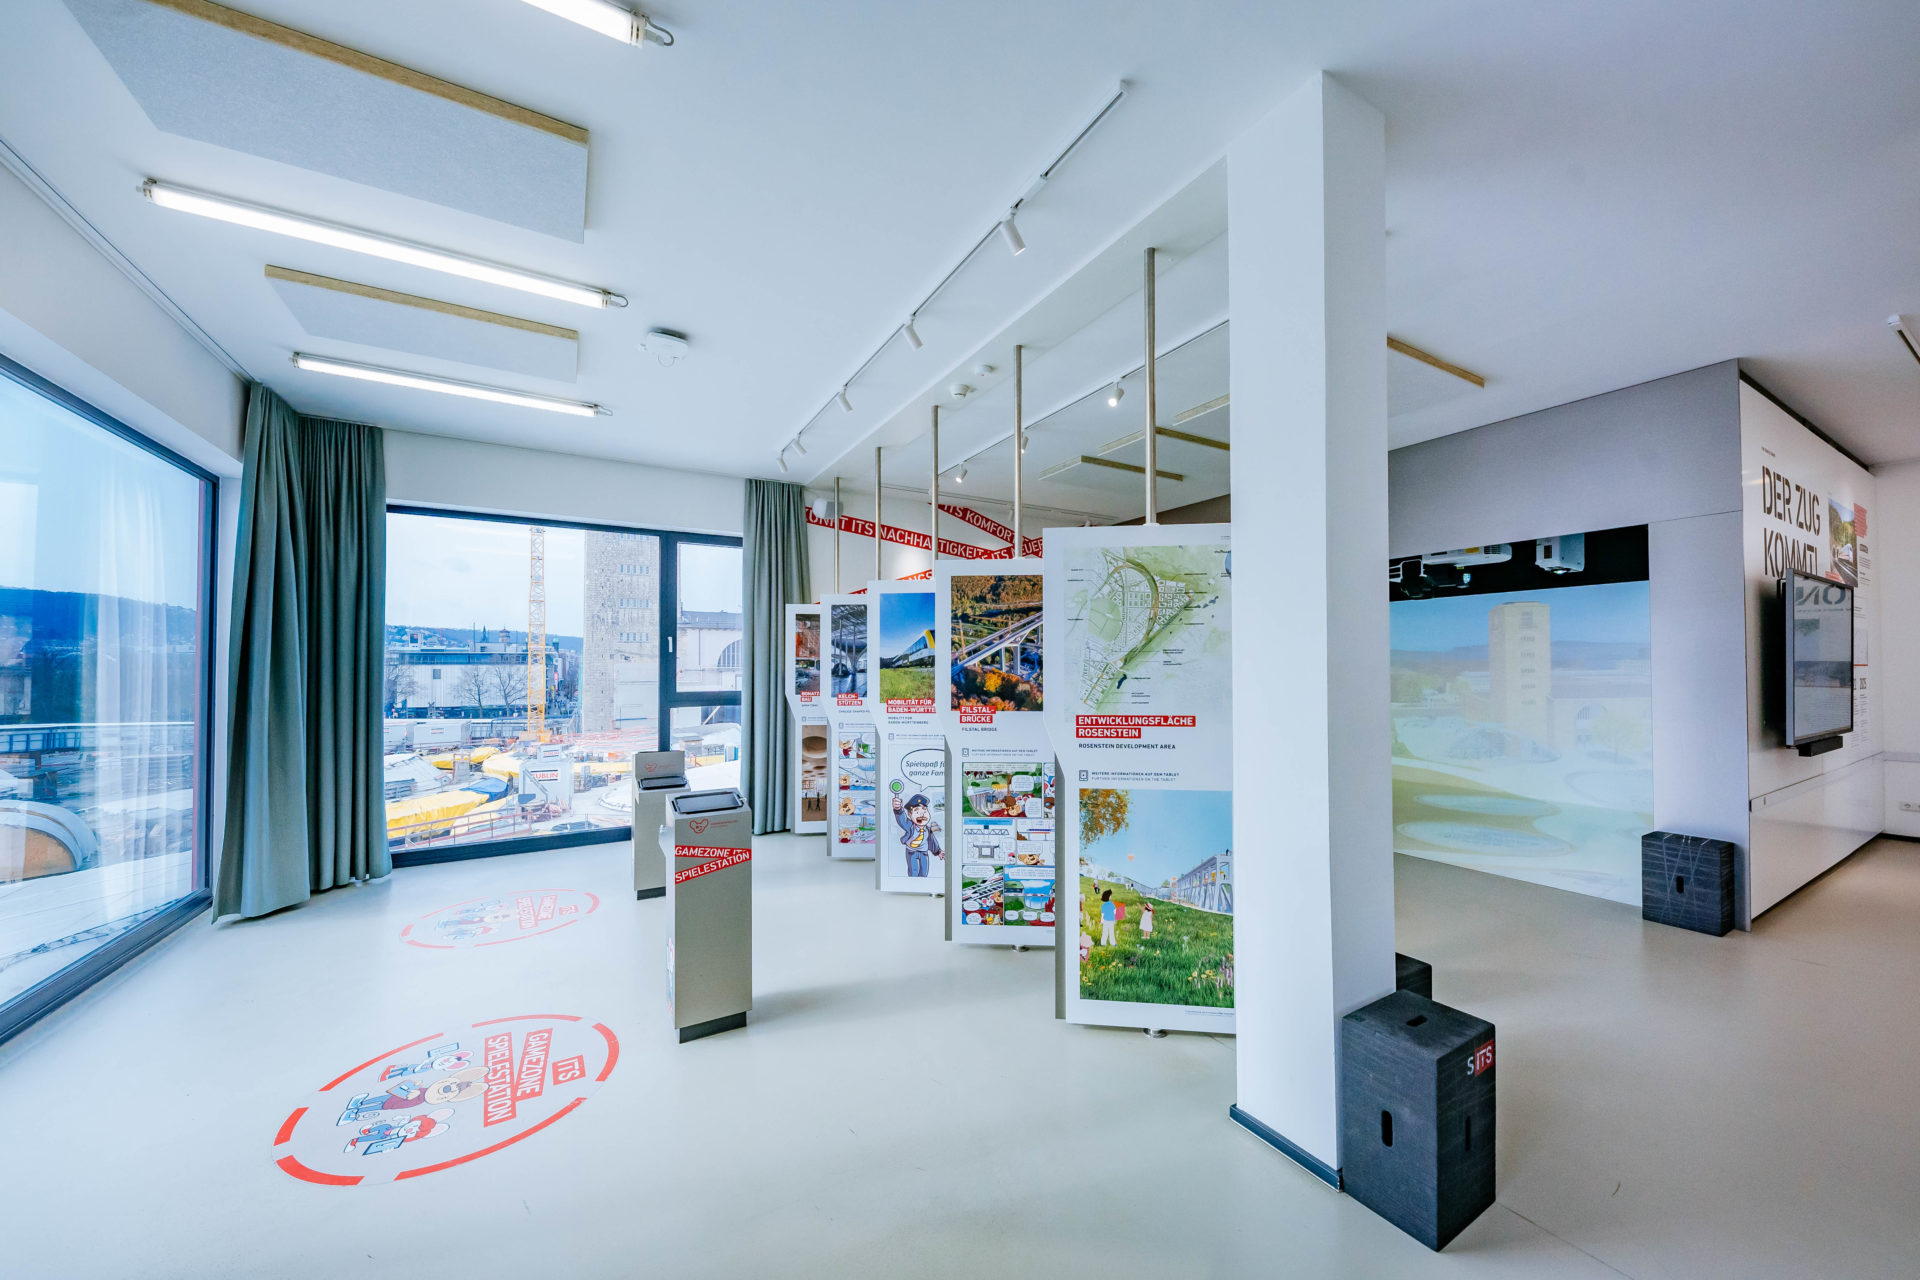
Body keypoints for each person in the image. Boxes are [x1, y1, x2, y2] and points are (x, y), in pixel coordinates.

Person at [892, 793, 941, 877]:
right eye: (917, 812)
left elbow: (932, 841)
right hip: (911, 852)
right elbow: (902, 820)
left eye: (925, 811)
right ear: (910, 815)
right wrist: (898, 810)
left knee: (924, 872)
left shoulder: (928, 830)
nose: (922, 815)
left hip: (924, 853)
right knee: (913, 871)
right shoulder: (910, 826)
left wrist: (938, 852)